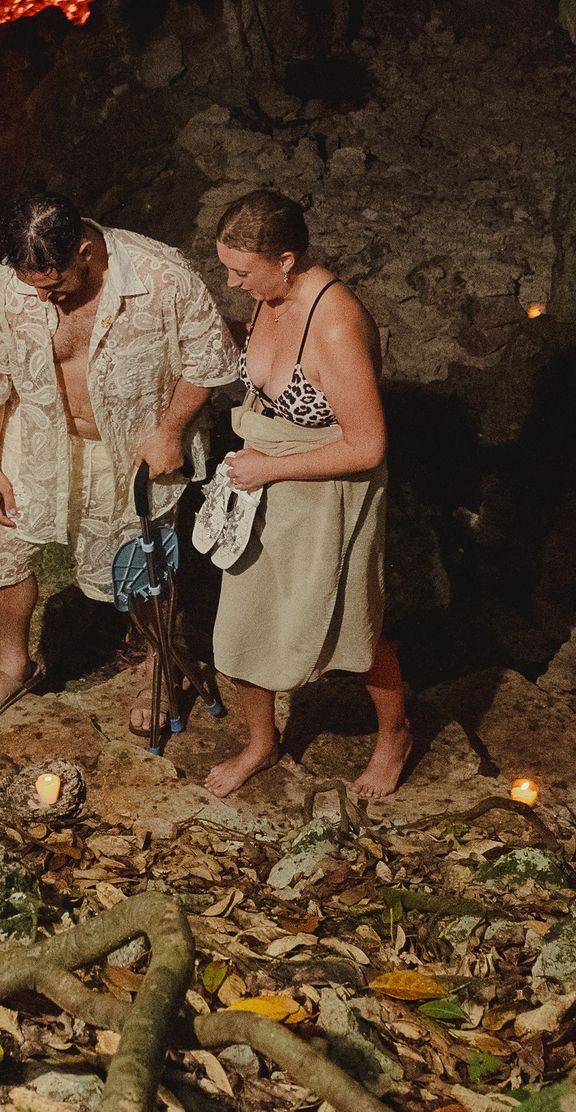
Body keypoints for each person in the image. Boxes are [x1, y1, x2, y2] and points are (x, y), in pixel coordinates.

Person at [0, 189, 242, 728]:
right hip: (37, 442)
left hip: (134, 447)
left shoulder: (162, 277)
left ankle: (160, 666)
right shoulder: (5, 289)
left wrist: (170, 430)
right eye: (32, 286)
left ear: (86, 250)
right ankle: (14, 666)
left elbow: (209, 360)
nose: (44, 299)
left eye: (55, 284)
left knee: (143, 571)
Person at [205, 189, 407, 802]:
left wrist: (273, 468)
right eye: (226, 268)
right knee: (243, 621)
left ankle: (394, 735)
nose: (233, 281)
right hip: (262, 474)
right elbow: (263, 365)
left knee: (353, 628)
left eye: (242, 271)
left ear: (287, 258)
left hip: (327, 488)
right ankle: (261, 743)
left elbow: (368, 445)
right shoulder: (271, 296)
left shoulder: (337, 322)